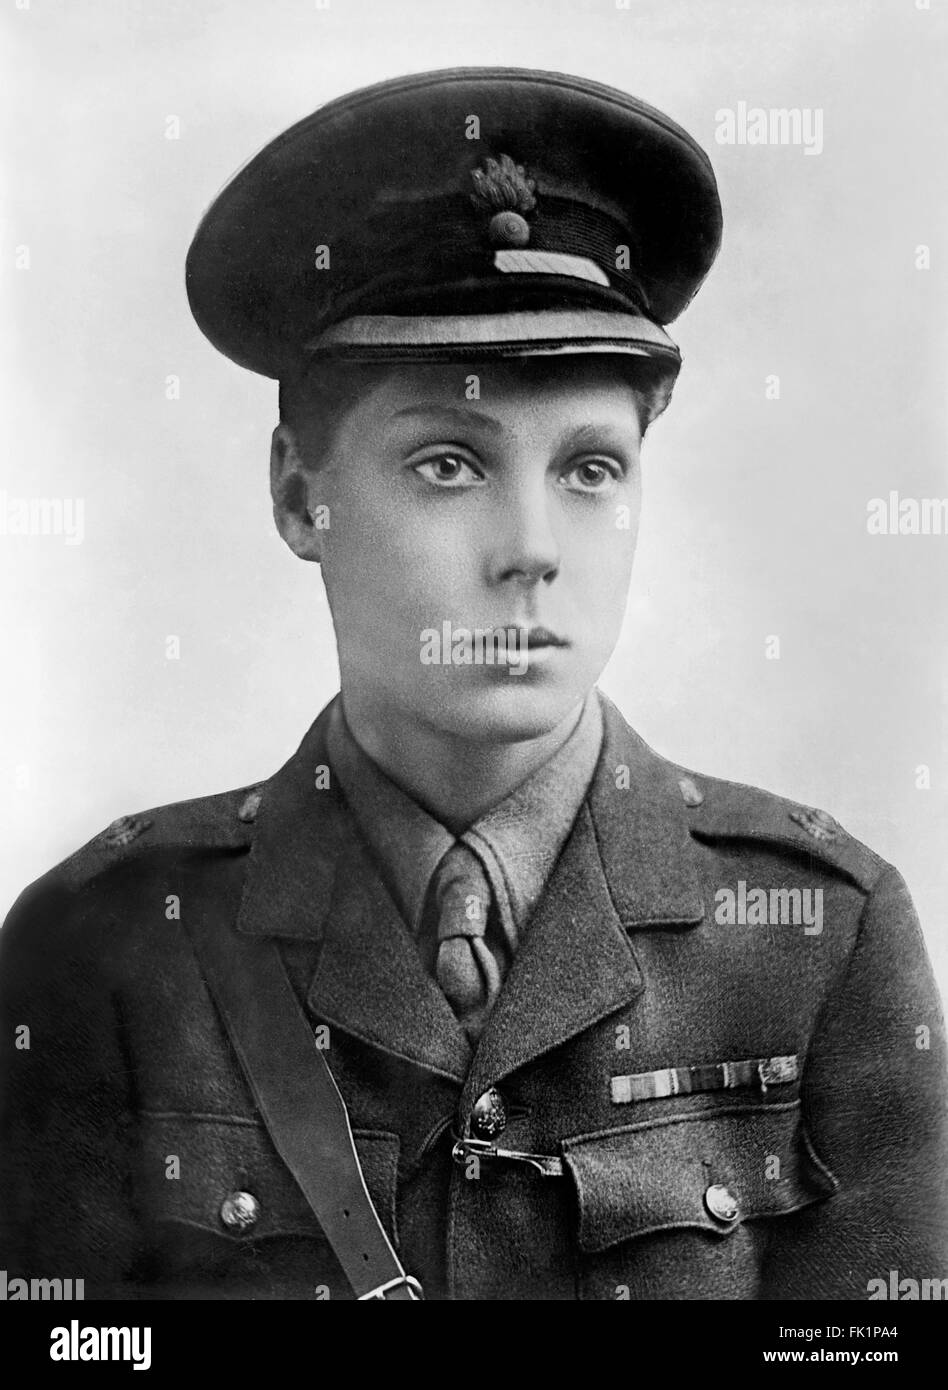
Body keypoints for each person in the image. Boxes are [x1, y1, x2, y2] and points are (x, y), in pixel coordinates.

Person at [1, 67, 945, 1302]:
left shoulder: (820, 937)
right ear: (300, 494)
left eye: (592, 468)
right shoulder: (104, 949)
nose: (533, 546)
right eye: (449, 463)